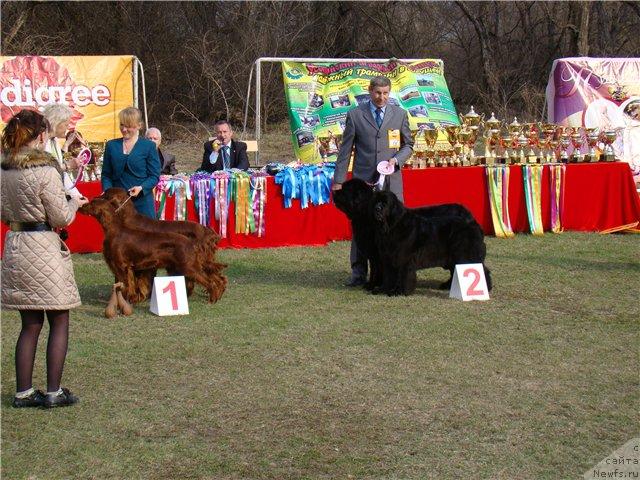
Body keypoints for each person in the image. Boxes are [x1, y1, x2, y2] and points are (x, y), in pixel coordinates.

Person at [1, 109, 89, 408]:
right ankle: (54, 391)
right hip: (43, 247)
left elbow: (3, 213)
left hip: (15, 246)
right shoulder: (46, 171)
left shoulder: (4, 170)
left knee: (29, 324)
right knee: (59, 319)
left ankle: (23, 392)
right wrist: (74, 203)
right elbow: (61, 216)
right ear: (41, 136)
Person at [332, 76, 414, 287]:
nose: (382, 97)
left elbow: (409, 145)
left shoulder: (400, 114)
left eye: (386, 93)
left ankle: (394, 272)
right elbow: (345, 151)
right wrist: (339, 180)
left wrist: (396, 160)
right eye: (378, 93)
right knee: (361, 228)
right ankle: (359, 273)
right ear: (370, 91)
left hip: (391, 183)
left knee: (395, 228)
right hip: (364, 184)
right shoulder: (355, 115)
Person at [101, 107, 160, 218]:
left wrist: (141, 188)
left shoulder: (148, 146)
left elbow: (154, 176)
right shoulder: (111, 145)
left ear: (139, 126)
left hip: (143, 204)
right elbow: (106, 174)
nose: (124, 129)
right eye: (122, 125)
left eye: (128, 126)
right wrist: (108, 192)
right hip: (117, 204)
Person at [42, 103, 82, 198]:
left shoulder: (54, 140)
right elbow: (44, 172)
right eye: (66, 124)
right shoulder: (41, 142)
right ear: (56, 123)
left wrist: (76, 195)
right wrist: (67, 166)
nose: (68, 128)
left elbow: (62, 174)